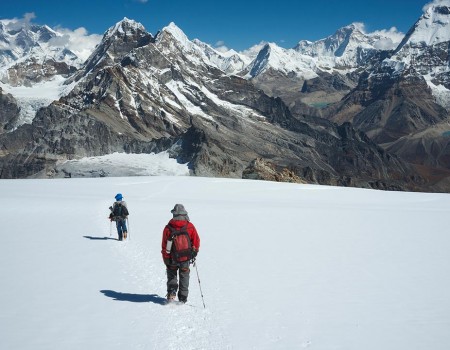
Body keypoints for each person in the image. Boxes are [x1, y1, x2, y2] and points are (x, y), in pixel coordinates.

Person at [161, 204, 200, 303]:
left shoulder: (168, 227)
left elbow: (165, 244)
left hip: (172, 257)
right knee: (184, 275)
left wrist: (165, 258)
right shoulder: (190, 226)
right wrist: (194, 252)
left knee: (172, 274)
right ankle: (183, 298)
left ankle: (171, 293)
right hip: (186, 257)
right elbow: (196, 240)